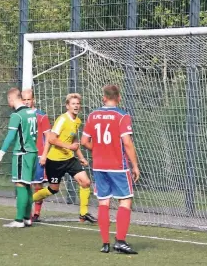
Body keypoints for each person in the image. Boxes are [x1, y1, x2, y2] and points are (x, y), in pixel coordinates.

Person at [81, 84, 140, 254]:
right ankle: (120, 241)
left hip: (99, 166)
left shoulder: (93, 115)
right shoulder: (122, 116)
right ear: (119, 98)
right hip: (118, 165)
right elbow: (127, 143)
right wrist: (135, 165)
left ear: (104, 98)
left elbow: (84, 141)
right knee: (125, 200)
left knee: (103, 201)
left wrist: (98, 149)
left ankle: (105, 243)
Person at [33, 93, 97, 223]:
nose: (76, 106)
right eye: (73, 104)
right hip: (55, 161)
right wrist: (46, 155)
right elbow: (51, 138)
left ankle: (83, 214)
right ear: (67, 106)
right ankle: (27, 201)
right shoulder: (62, 119)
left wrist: (81, 157)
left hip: (69, 159)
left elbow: (74, 141)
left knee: (85, 182)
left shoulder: (78, 121)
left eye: (78, 103)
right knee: (53, 189)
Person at [0, 87, 38, 228]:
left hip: (22, 153)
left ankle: (19, 220)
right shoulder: (31, 112)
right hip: (33, 152)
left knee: (20, 184)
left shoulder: (17, 115)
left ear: (11, 99)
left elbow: (10, 136)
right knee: (27, 185)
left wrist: (1, 153)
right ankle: (27, 218)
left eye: (9, 100)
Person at [21, 89, 51, 222]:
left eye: (29, 99)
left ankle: (36, 213)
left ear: (34, 100)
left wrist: (44, 155)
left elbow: (48, 137)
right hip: (25, 154)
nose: (27, 102)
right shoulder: (20, 115)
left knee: (38, 185)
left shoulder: (41, 116)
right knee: (25, 184)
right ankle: (26, 212)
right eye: (25, 100)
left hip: (38, 155)